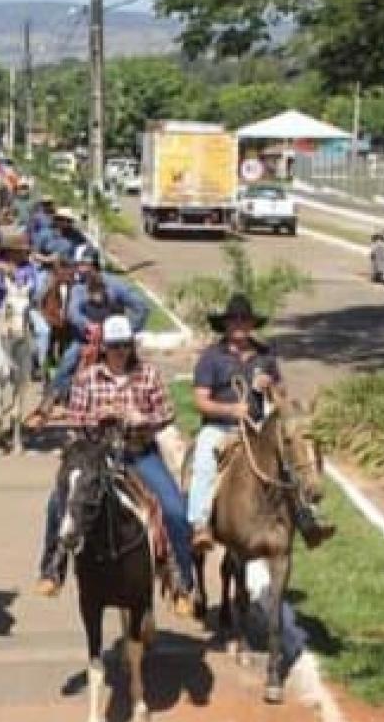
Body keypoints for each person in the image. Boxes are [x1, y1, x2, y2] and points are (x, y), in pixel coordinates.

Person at [35, 316, 193, 609]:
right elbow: (76, 420)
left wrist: (139, 417)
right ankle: (53, 568)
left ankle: (182, 581)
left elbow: (166, 414)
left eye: (124, 345)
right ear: (104, 347)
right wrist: (100, 416)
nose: (120, 351)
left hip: (138, 453)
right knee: (57, 504)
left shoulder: (148, 374)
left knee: (173, 509)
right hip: (97, 456)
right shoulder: (87, 378)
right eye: (114, 346)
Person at [188, 294, 335, 552]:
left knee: (291, 460)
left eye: (245, 320)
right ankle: (200, 525)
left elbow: (282, 393)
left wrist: (270, 387)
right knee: (203, 464)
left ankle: (308, 518)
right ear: (226, 324)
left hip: (258, 427)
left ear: (252, 324)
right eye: (234, 320)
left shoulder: (264, 355)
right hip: (220, 427)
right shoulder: (212, 357)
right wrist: (231, 409)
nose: (240, 325)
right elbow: (200, 401)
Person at [32, 244, 150, 423]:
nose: (80, 269)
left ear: (93, 265)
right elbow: (73, 312)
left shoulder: (116, 285)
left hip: (115, 339)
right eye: (79, 265)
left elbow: (141, 306)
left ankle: (143, 400)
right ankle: (52, 401)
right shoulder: (79, 287)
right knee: (67, 362)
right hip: (87, 338)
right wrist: (88, 326)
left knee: (138, 368)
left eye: (83, 265)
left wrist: (127, 330)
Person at [0, 232, 50, 378]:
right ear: (8, 251)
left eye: (22, 251)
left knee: (43, 330)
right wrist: (0, 266)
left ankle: (39, 364)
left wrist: (19, 281)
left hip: (23, 307)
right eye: (17, 251)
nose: (20, 254)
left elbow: (35, 288)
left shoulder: (29, 267)